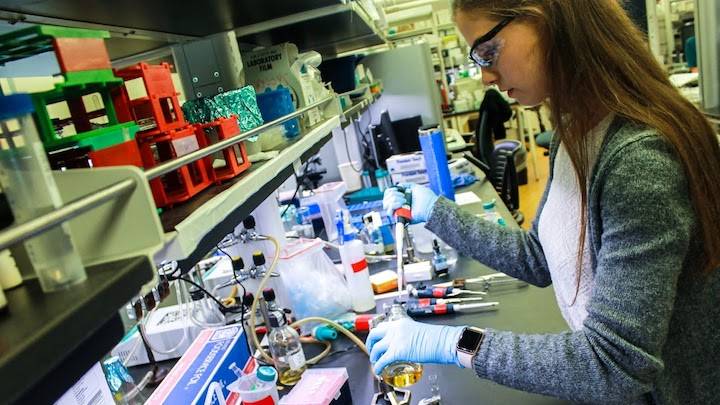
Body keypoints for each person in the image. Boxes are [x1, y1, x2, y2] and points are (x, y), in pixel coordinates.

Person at [367, 1, 720, 404]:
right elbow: (538, 256)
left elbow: (615, 363)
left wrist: (454, 344)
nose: (484, 76)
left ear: (545, 18)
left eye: (488, 52)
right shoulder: (577, 131)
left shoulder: (636, 160)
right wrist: (434, 213)